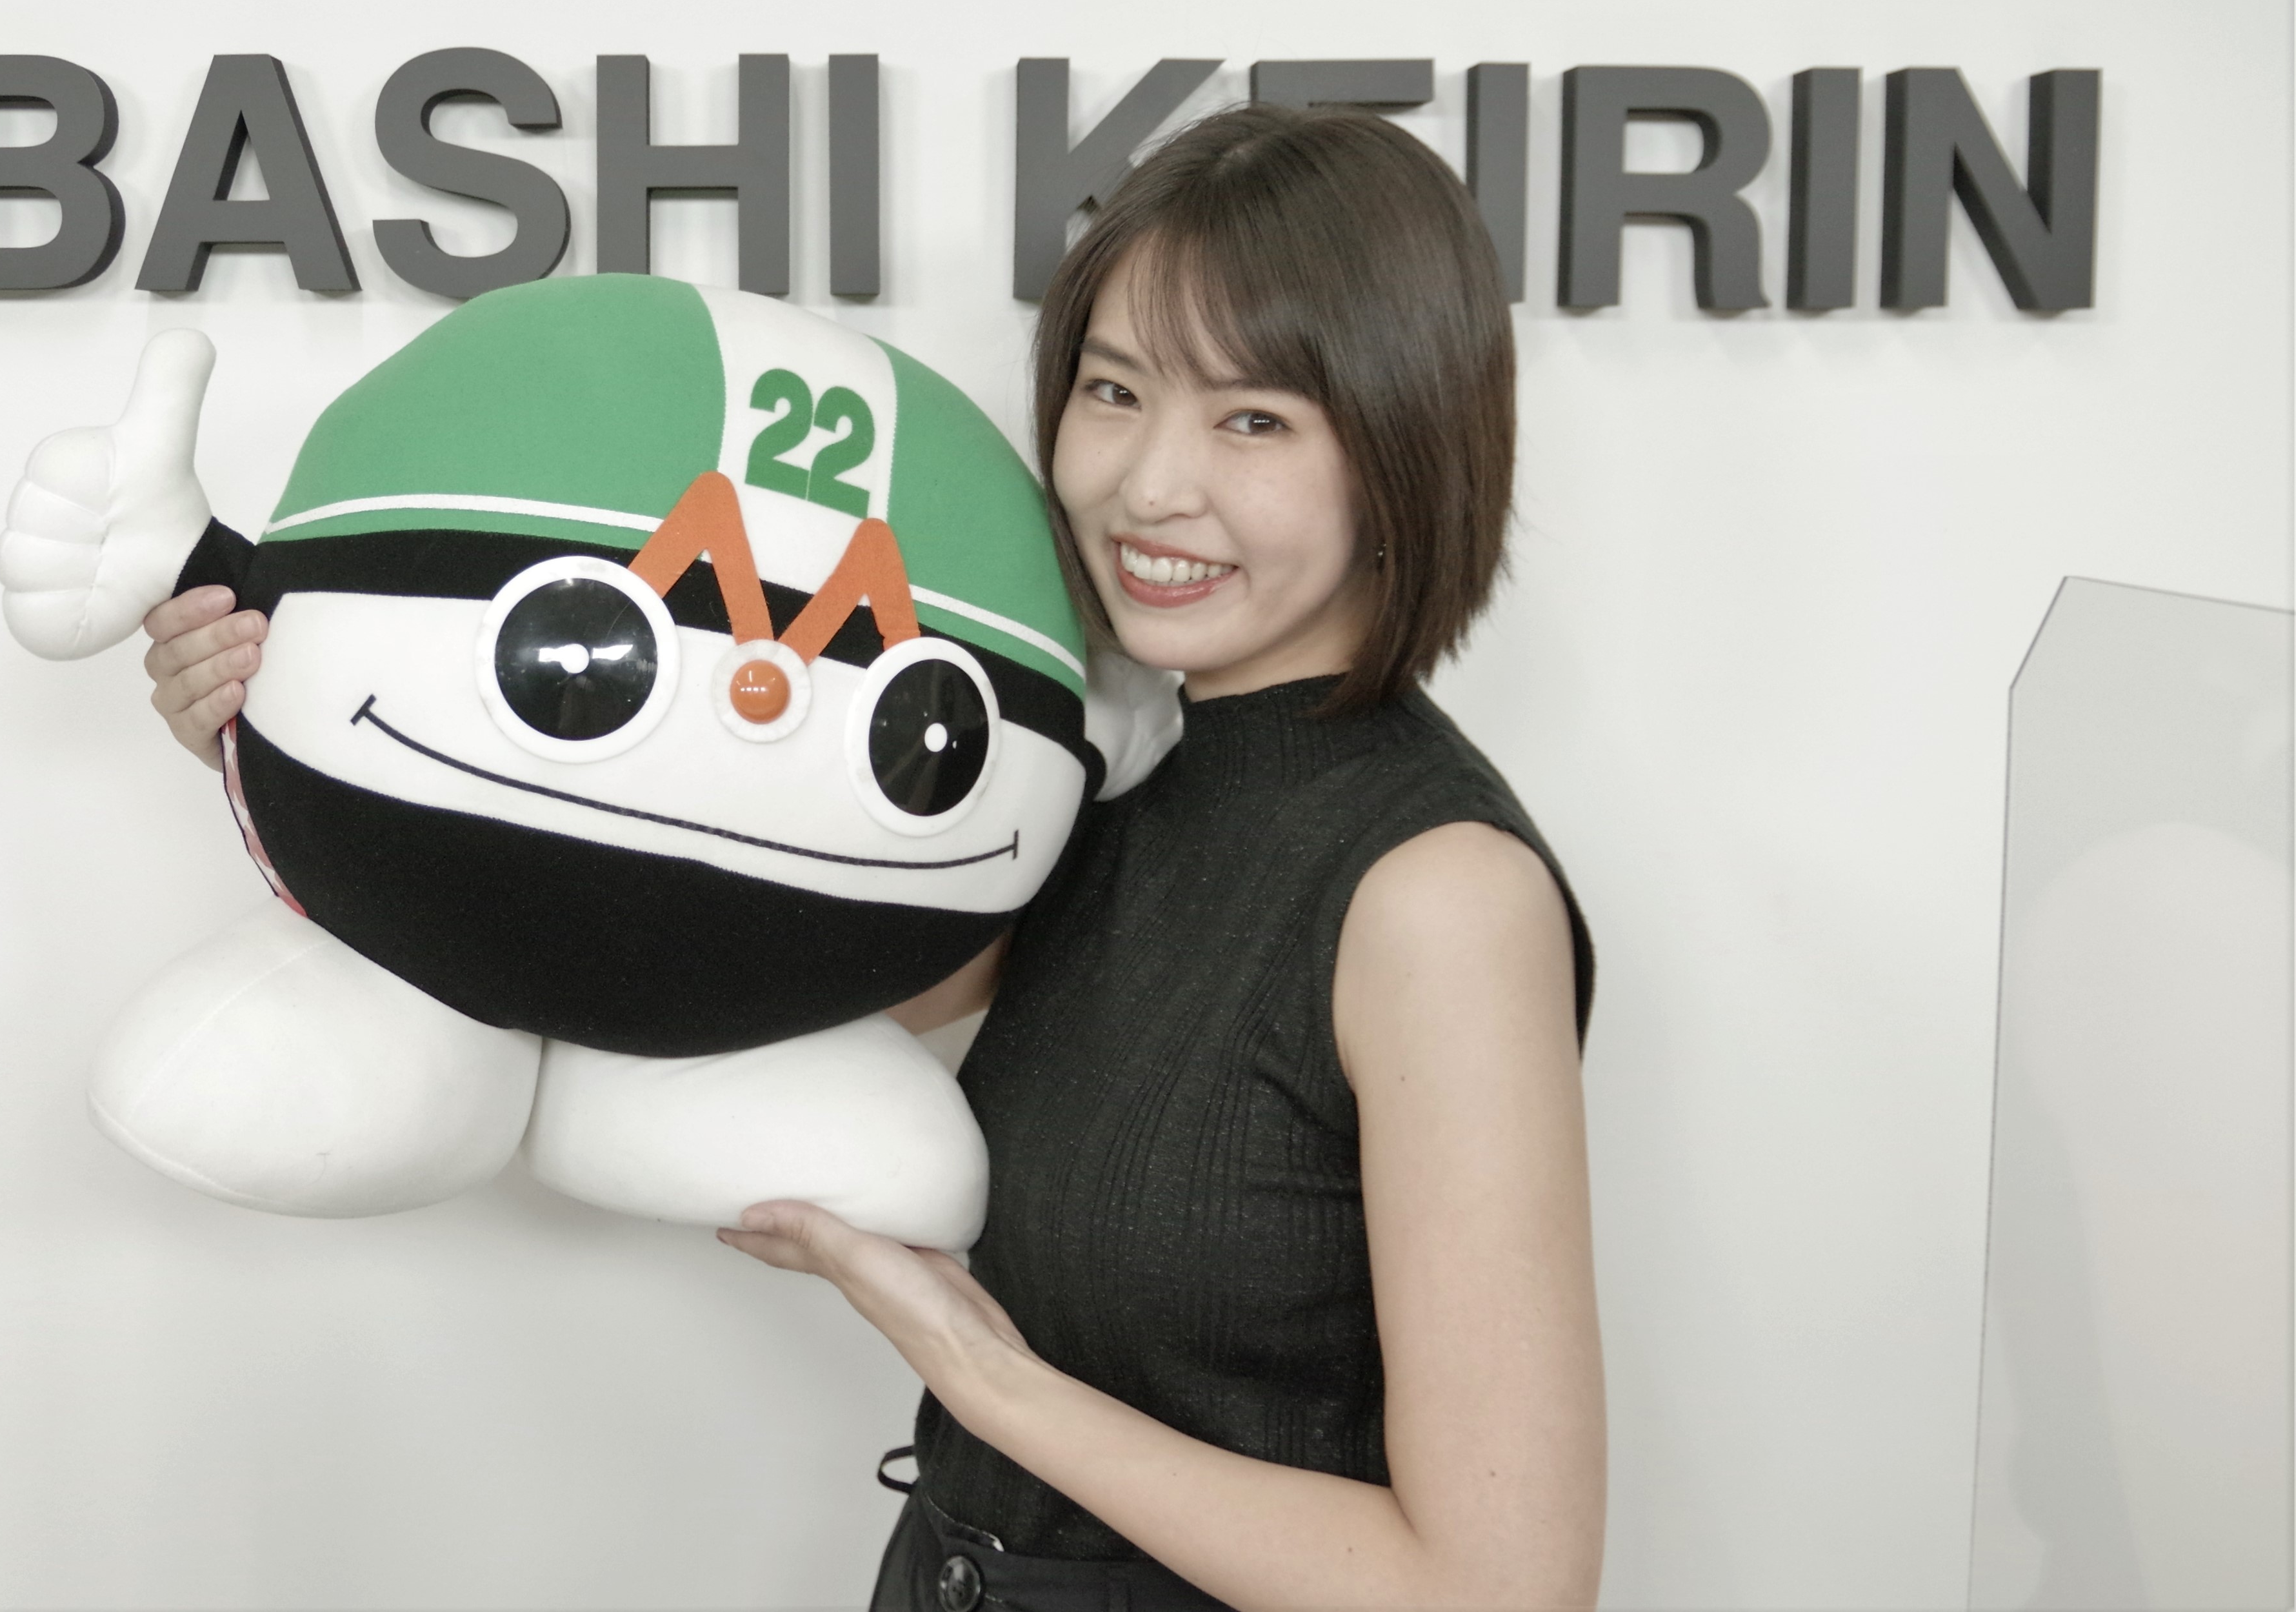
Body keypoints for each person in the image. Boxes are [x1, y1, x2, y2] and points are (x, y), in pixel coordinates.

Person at [138, 101, 1602, 1611]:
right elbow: (662, 962)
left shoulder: (1439, 892)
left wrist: (980, 1371)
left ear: (1405, 448)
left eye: (1255, 421)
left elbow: (1500, 1588)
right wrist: (306, 753)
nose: (1150, 485)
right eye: (1115, 390)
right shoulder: (1107, 782)